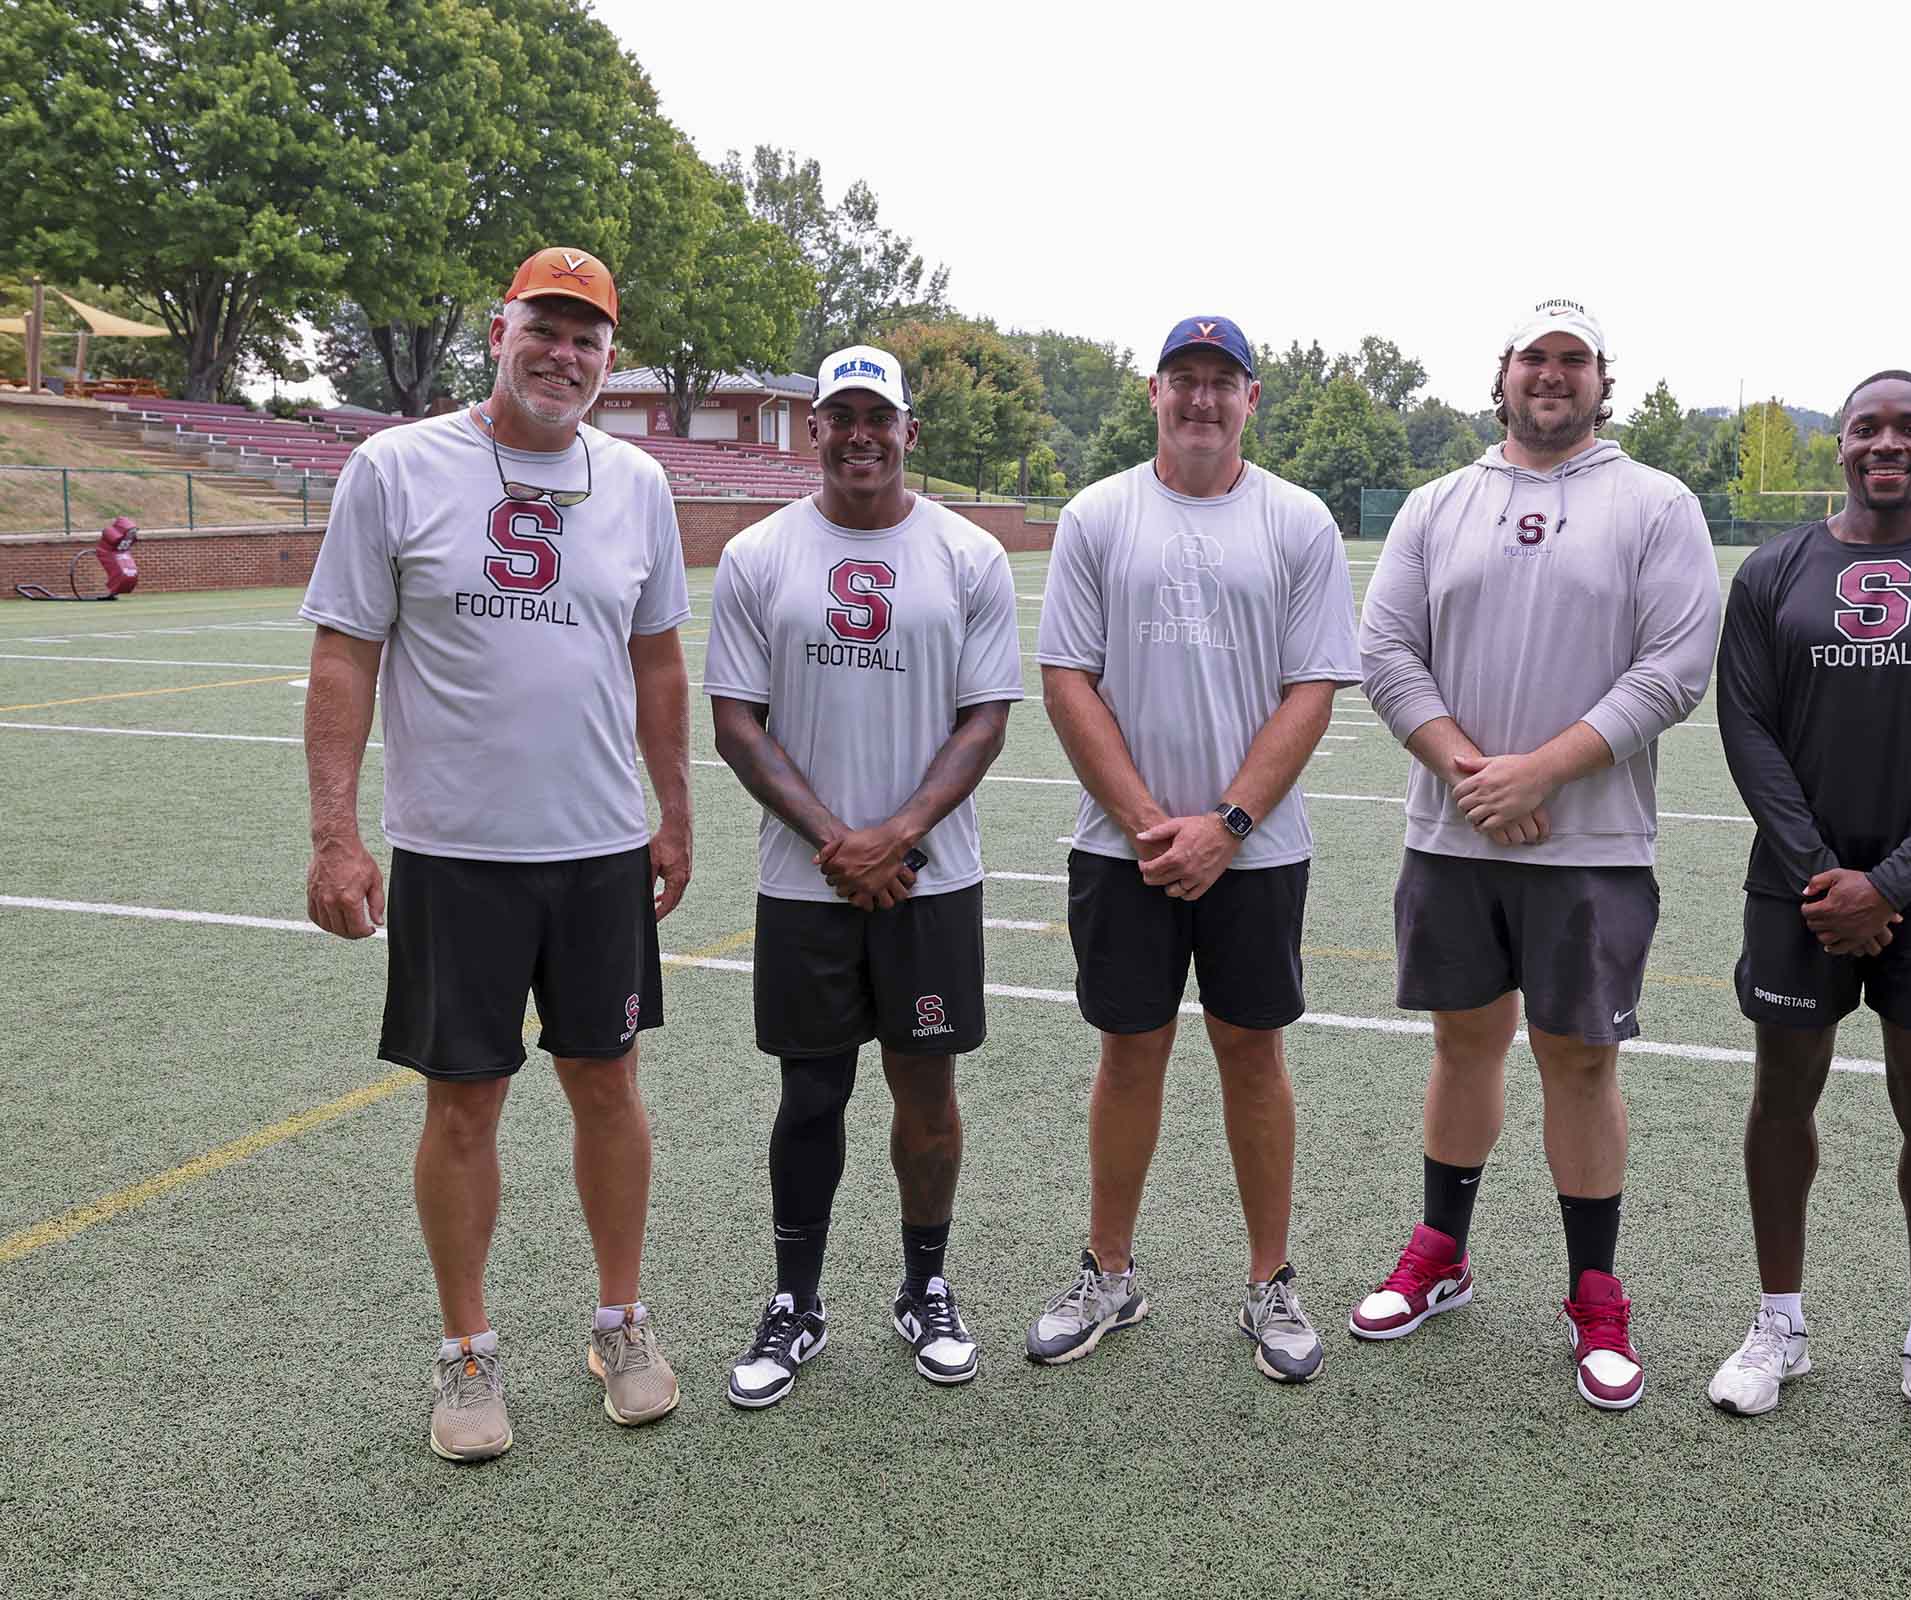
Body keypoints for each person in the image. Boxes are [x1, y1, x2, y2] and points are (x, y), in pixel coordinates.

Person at [300, 247, 693, 1462]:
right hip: (456, 854)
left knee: (609, 1084)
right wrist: (334, 834)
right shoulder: (397, 466)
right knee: (463, 1102)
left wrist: (673, 812)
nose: (563, 354)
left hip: (599, 851)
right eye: (545, 328)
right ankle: (466, 1350)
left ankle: (619, 1322)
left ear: (609, 357)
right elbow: (345, 654)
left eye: (588, 337)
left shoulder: (637, 483)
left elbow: (660, 661)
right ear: (498, 328)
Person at [1351, 298, 1720, 1409]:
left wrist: (1542, 772)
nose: (1551, 376)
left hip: (1590, 845)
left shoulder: (1657, 503)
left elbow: (1674, 667)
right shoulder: (1438, 504)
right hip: (1455, 836)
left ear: (1606, 383)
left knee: (1580, 1059)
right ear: (1502, 375)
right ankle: (1443, 1252)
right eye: (1534, 358)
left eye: (1573, 360)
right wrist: (1478, 774)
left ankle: (1596, 1295)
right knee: (1465, 1045)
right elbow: (1383, 652)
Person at [1707, 370, 1911, 1462]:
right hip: (1797, 889)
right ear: (1839, 444)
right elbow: (1746, 727)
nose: (1884, 442)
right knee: (1780, 1096)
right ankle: (1778, 1325)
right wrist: (1823, 875)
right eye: (1865, 426)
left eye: (1908, 426)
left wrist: (1890, 883)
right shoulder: (1772, 573)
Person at [1025, 315, 1362, 1385]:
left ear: (1252, 398)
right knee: (1129, 1052)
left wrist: (1224, 827)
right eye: (1185, 379)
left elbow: (1313, 689)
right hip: (1123, 849)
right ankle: (1109, 1273)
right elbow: (1068, 676)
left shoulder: (1298, 521)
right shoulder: (1098, 514)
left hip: (1252, 854)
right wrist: (1144, 824)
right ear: (1156, 392)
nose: (1203, 398)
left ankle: (1270, 1281)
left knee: (1252, 1055)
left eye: (1223, 380)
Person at [704, 344, 1021, 1402]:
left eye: (876, 415)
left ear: (908, 432)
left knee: (926, 1084)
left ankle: (923, 1284)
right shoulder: (758, 555)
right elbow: (736, 722)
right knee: (810, 1089)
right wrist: (840, 839)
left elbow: (985, 720)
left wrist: (899, 835)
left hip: (929, 878)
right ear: (815, 430)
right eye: (838, 414)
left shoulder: (970, 554)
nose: (857, 433)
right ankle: (797, 1298)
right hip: (807, 882)